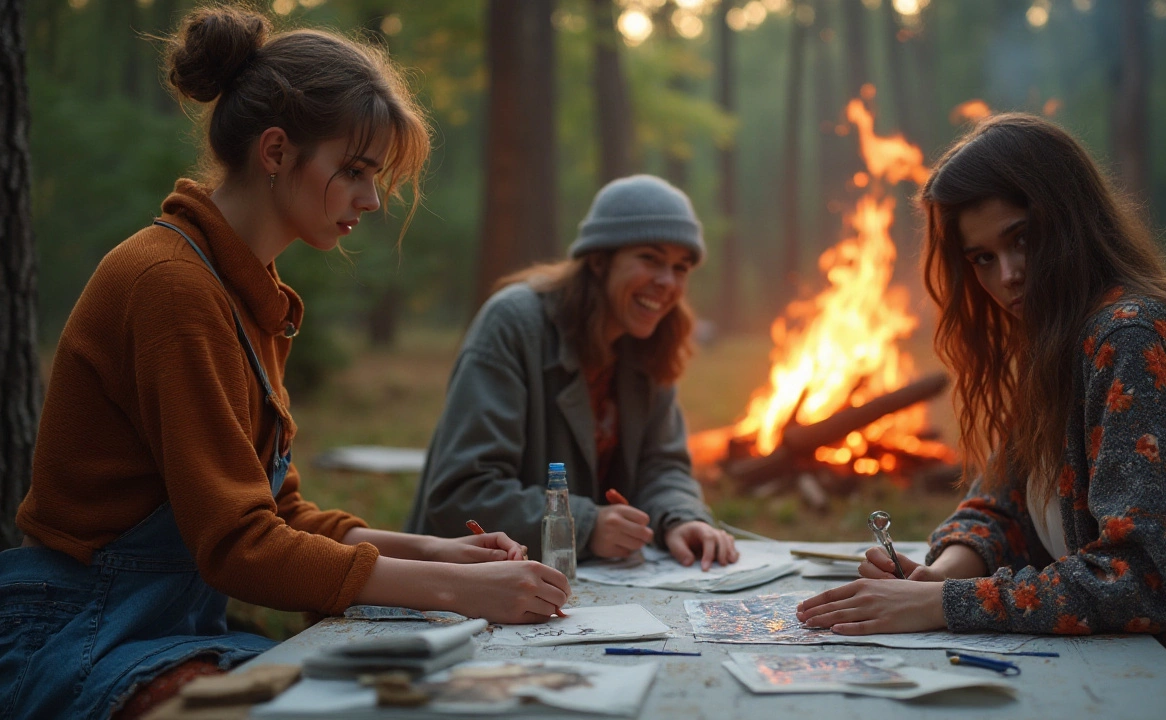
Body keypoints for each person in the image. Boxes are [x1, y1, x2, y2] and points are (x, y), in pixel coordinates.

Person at [0, 7, 569, 719]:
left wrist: (441, 555)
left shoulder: (242, 290)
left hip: (167, 625)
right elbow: (240, 547)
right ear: (275, 151)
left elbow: (279, 513)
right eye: (355, 171)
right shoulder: (171, 285)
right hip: (83, 633)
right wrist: (455, 592)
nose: (370, 199)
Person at [796, 114, 1166, 718]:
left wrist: (944, 606)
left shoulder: (1128, 338)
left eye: (1022, 238)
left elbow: (1144, 579)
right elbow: (1000, 500)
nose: (1007, 276)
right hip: (1129, 668)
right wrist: (941, 573)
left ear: (1072, 219)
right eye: (981, 257)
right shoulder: (1055, 341)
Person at [406, 175, 739, 570]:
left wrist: (682, 518)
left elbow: (662, 466)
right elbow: (462, 493)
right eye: (650, 258)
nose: (667, 282)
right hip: (464, 588)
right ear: (598, 261)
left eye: (681, 267)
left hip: (582, 587)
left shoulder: (652, 343)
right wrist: (586, 525)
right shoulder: (515, 325)